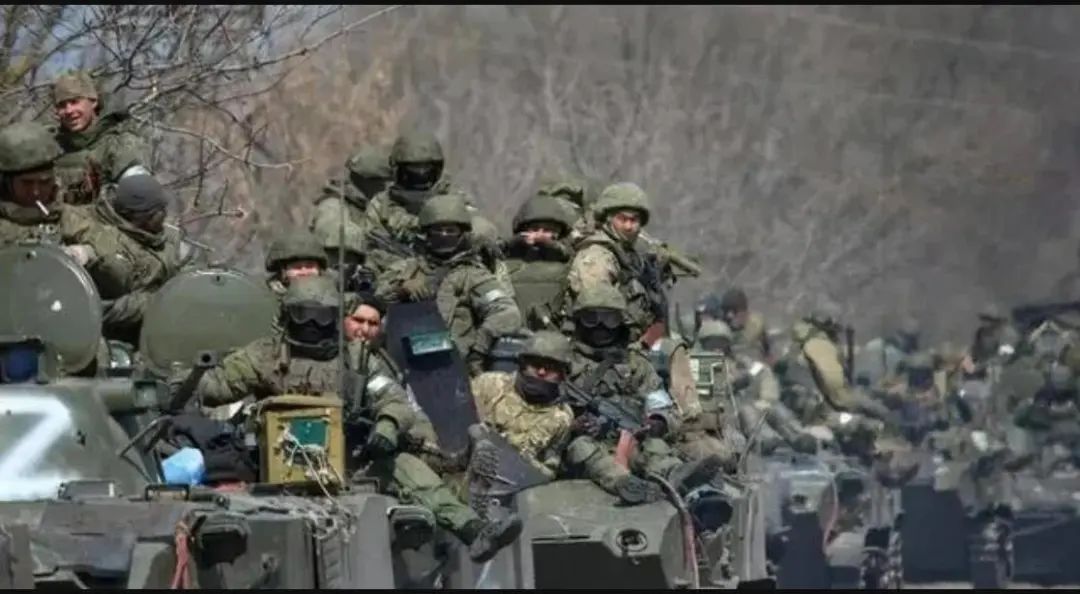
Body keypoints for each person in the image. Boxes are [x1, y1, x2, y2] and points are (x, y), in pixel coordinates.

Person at [180, 275, 522, 562]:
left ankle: (474, 530)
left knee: (406, 467)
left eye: (322, 318)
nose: (312, 326)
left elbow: (393, 398)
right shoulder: (264, 355)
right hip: (271, 462)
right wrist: (190, 378)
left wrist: (387, 425)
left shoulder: (356, 360)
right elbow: (214, 389)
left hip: (349, 461)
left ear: (335, 318)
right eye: (302, 316)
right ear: (286, 315)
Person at [375, 192, 523, 375]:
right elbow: (376, 300)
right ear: (426, 233)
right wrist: (401, 290)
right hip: (400, 366)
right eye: (437, 230)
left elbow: (507, 313)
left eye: (451, 230)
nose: (444, 235)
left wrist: (478, 350)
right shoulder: (405, 268)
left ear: (462, 234)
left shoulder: (472, 275)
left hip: (451, 369)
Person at [566, 182, 665, 345]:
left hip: (629, 342)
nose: (628, 226)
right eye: (622, 219)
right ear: (608, 219)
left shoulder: (631, 256)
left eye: (634, 220)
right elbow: (598, 314)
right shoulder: (597, 256)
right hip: (602, 342)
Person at [50, 69, 150, 204]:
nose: (69, 111)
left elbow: (140, 198)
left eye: (74, 102)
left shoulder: (120, 143)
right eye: (62, 105)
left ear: (93, 101)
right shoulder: (52, 148)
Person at [502, 192, 577, 330]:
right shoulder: (505, 264)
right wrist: (514, 243)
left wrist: (551, 246)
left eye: (547, 230)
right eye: (535, 229)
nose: (539, 235)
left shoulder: (572, 263)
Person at [309, 145, 391, 260]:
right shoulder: (332, 204)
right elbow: (335, 234)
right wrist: (379, 245)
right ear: (365, 181)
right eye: (382, 181)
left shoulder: (367, 206)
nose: (386, 187)